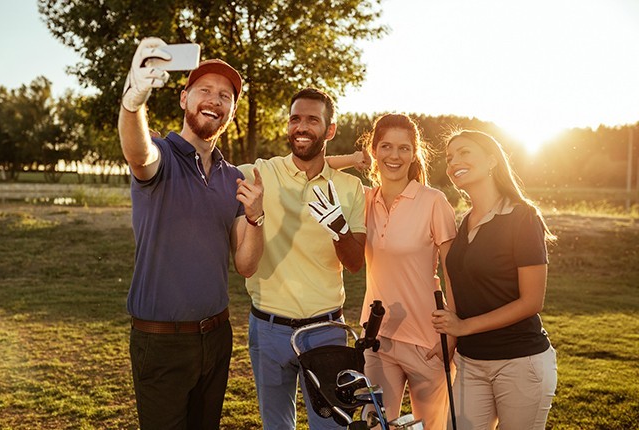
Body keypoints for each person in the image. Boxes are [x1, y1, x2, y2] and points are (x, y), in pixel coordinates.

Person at [117, 37, 265, 430]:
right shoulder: (161, 156)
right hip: (161, 343)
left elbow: (246, 266)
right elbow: (138, 152)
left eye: (225, 96)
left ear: (231, 111)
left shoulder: (233, 177)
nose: (214, 100)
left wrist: (256, 217)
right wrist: (133, 102)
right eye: (204, 90)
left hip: (216, 338)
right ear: (184, 98)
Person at [237, 87, 367, 430]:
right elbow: (206, 167)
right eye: (295, 118)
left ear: (330, 129)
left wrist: (338, 228)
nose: (302, 127)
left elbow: (355, 263)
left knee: (332, 426)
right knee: (275, 425)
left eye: (312, 119)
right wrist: (168, 150)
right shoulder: (263, 172)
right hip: (267, 329)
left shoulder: (350, 188)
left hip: (325, 331)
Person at [328, 113, 457, 429]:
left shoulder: (433, 201)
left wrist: (451, 335)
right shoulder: (363, 199)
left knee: (430, 428)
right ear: (373, 150)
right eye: (385, 146)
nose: (394, 156)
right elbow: (315, 168)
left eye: (403, 148)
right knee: (374, 426)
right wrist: (353, 159)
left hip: (427, 342)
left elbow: (454, 271)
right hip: (377, 341)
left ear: (414, 154)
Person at [432, 130, 557, 430]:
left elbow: (531, 301)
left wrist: (464, 327)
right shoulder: (465, 223)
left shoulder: (523, 217)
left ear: (491, 160)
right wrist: (451, 338)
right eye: (449, 158)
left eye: (464, 152)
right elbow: (461, 294)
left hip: (520, 362)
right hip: (471, 362)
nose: (453, 162)